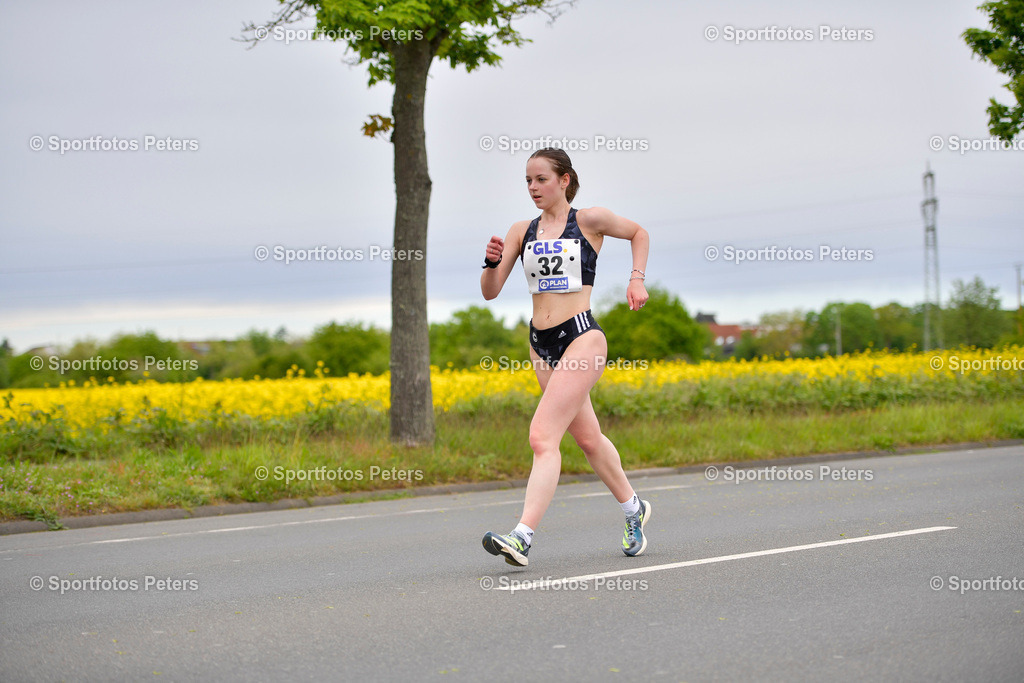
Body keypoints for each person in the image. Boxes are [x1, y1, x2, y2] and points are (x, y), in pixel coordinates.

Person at [479, 147, 651, 567]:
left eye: (541, 179)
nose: (533, 188)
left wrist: (636, 280)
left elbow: (639, 233)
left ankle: (521, 537)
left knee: (542, 437)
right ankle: (634, 509)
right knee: (588, 439)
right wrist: (490, 262)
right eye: (528, 181)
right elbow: (490, 290)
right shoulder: (523, 230)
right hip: (541, 344)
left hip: (582, 338)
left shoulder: (590, 220)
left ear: (564, 180)